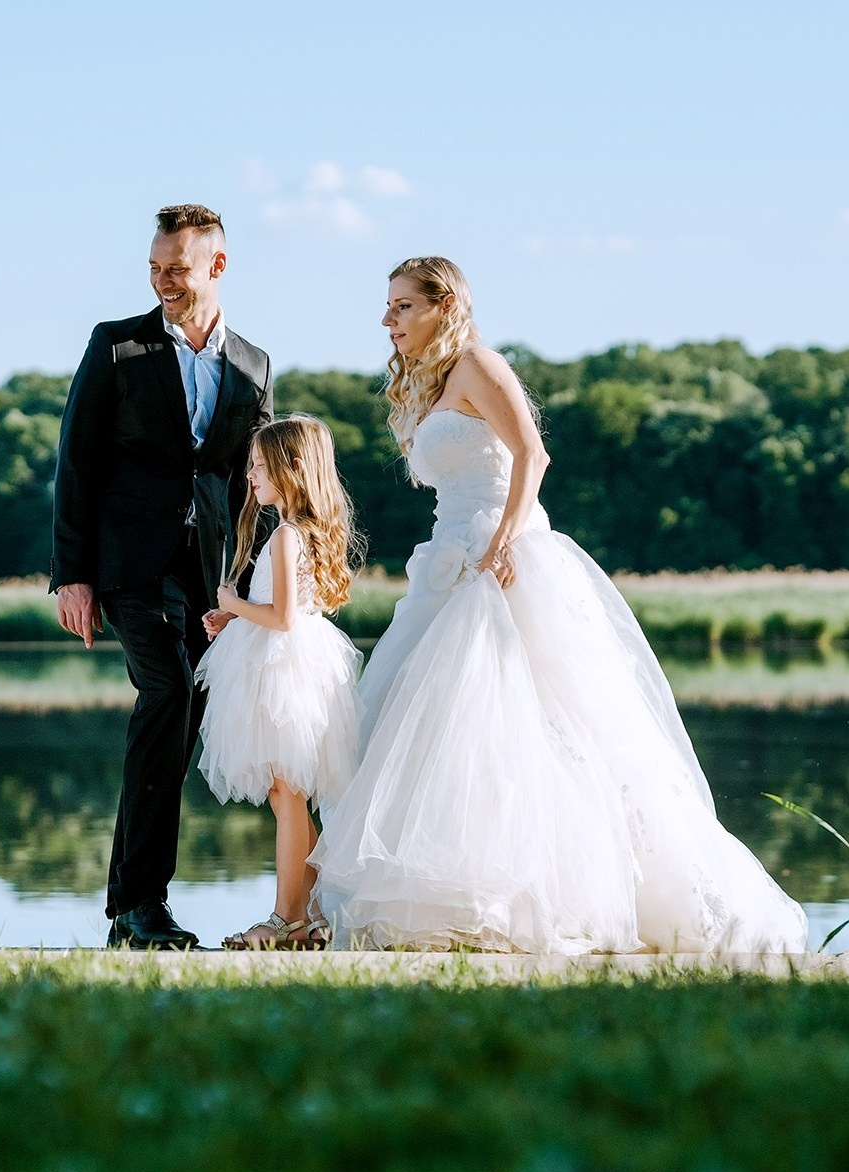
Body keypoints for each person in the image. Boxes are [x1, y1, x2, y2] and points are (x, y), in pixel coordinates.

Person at [312, 258, 808, 953]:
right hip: (447, 558)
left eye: (400, 306)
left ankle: (578, 896)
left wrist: (505, 539)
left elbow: (532, 455)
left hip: (501, 558)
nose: (387, 320)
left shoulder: (480, 363)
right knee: (429, 732)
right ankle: (464, 901)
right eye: (387, 306)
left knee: (538, 724)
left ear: (442, 303)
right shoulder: (436, 381)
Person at [51, 204, 273, 949]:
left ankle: (129, 907)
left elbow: (254, 484)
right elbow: (76, 459)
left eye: (176, 268)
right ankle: (141, 903)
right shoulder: (117, 347)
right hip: (128, 565)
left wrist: (260, 582)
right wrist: (71, 576)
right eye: (154, 268)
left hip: (212, 574)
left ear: (216, 265)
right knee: (169, 691)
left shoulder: (252, 363)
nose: (162, 281)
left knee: (187, 715)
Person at [195, 416, 364, 950]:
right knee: (284, 792)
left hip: (284, 670)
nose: (250, 477)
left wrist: (231, 603)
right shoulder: (301, 532)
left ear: (293, 469)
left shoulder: (289, 536)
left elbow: (286, 617)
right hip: (291, 663)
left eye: (259, 467)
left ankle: (284, 920)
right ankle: (309, 914)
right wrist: (240, 619)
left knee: (287, 795)